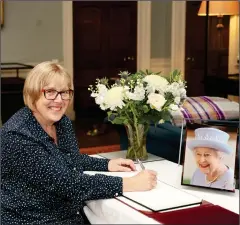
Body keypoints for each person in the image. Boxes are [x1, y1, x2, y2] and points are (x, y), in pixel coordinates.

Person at [1, 61, 157, 225]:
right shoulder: (17, 135)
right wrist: (129, 183)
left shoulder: (62, 123)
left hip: (69, 215)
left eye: (64, 92)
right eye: (50, 92)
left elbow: (67, 159)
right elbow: (67, 183)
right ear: (33, 94)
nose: (59, 100)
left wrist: (107, 164)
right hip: (33, 220)